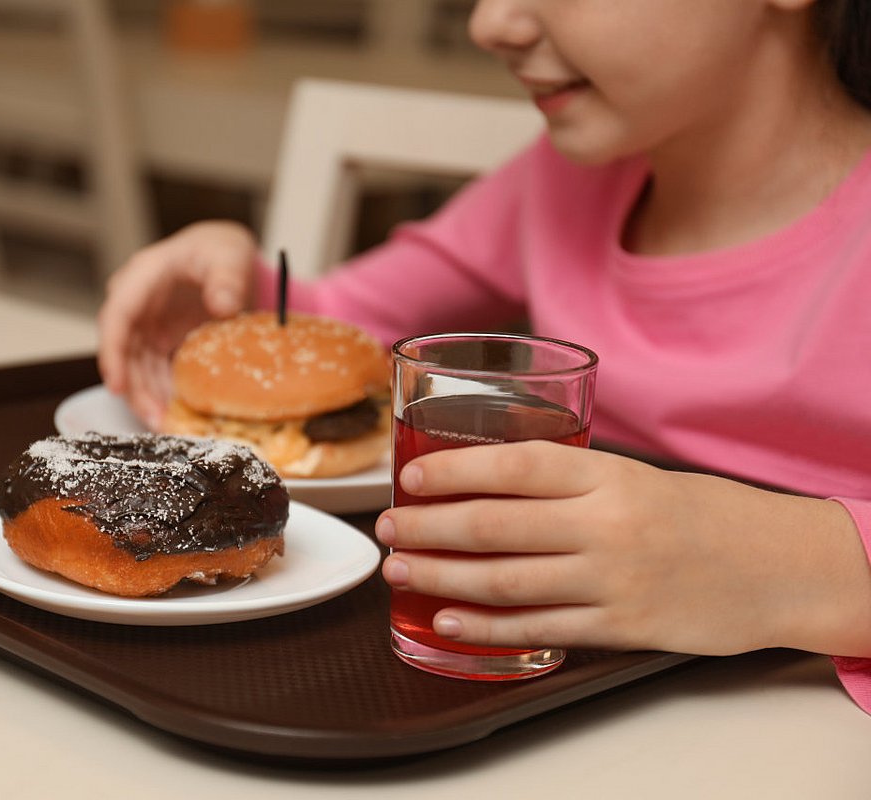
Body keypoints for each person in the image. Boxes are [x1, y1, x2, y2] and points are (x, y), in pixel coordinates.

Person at [96, 0, 871, 712]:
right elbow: (359, 322)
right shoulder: (567, 178)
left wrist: (806, 565)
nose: (489, 23)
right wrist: (239, 296)